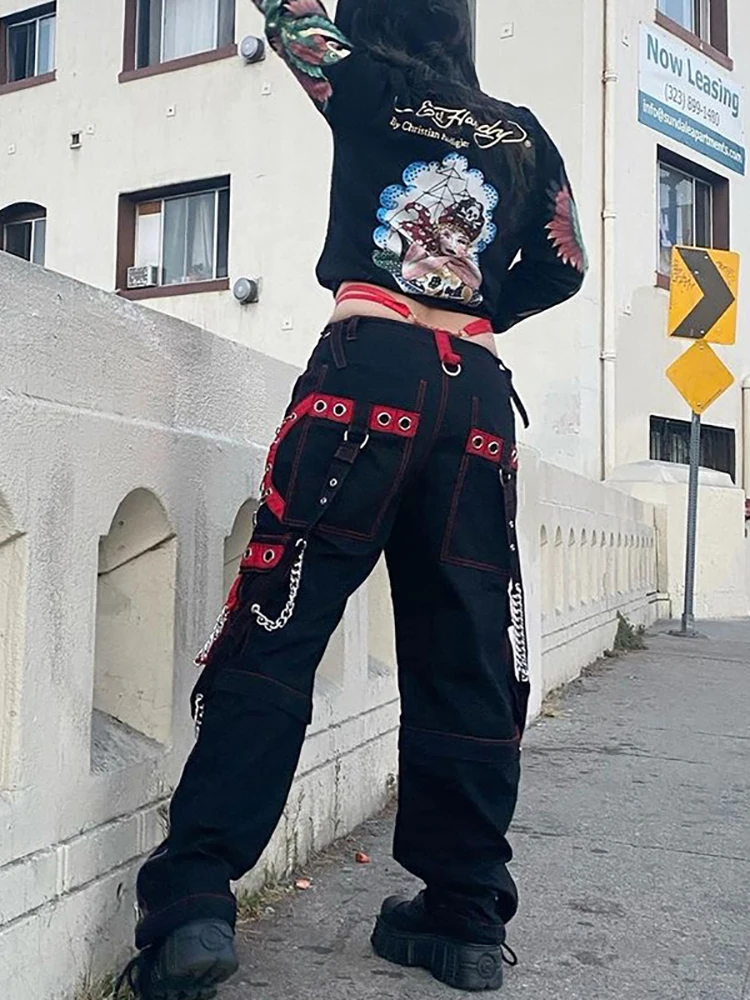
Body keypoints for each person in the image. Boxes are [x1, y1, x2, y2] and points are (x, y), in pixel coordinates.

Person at [118, 1, 586, 997]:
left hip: (366, 373)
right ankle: (464, 916)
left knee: (279, 626)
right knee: (469, 653)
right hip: (476, 394)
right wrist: (478, 307)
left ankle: (194, 900)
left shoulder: (366, 81)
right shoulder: (524, 133)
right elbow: (565, 263)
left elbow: (288, 16)